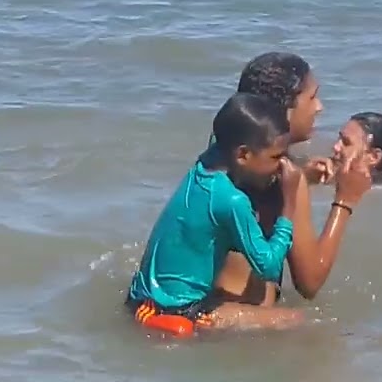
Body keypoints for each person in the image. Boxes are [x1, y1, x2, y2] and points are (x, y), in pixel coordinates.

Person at [127, 93, 306, 331]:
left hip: (142, 297)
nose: (284, 165)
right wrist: (290, 202)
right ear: (242, 155)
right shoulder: (232, 201)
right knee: (295, 321)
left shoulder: (205, 164)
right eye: (276, 157)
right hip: (175, 312)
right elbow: (269, 267)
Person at [214, 52, 374, 304]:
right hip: (245, 326)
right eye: (311, 98)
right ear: (285, 111)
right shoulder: (286, 177)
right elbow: (309, 282)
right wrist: (346, 199)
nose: (319, 107)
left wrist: (304, 180)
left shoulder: (231, 158)